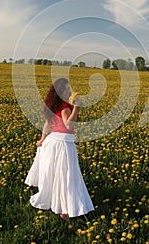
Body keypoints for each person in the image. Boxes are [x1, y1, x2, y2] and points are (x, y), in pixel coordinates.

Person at [24, 78, 94, 220]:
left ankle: (55, 203)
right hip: (63, 144)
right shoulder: (65, 106)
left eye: (69, 88)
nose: (69, 91)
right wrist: (76, 107)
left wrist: (42, 139)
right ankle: (64, 210)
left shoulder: (54, 105)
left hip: (52, 142)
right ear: (59, 91)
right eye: (66, 89)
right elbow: (68, 125)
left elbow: (47, 125)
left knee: (54, 175)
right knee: (66, 176)